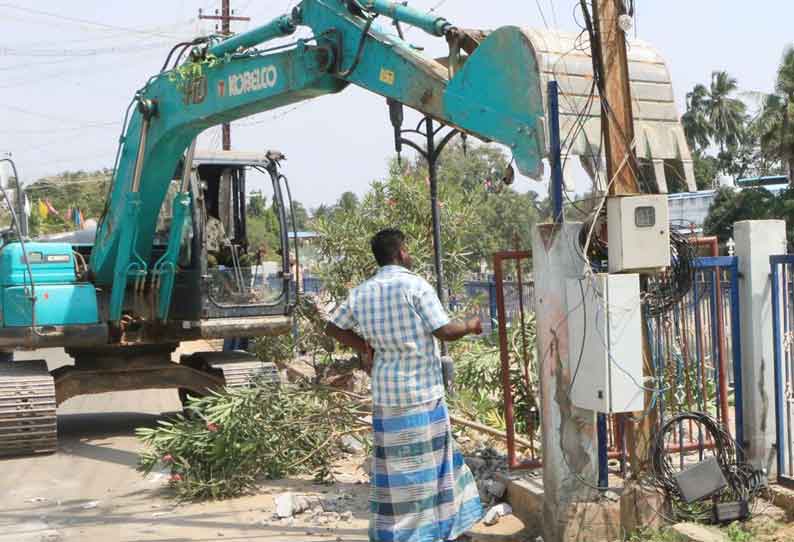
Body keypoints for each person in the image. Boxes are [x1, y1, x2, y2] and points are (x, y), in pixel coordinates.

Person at [325, 228, 483, 542]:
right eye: (407, 249)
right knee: (429, 466)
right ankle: (430, 532)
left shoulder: (362, 292)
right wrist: (470, 325)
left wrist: (364, 347)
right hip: (422, 393)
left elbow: (332, 327)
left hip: (386, 396)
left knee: (396, 472)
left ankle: (400, 532)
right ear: (401, 252)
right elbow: (445, 331)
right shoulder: (415, 286)